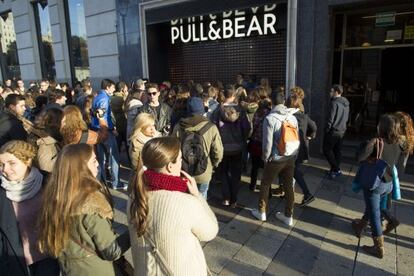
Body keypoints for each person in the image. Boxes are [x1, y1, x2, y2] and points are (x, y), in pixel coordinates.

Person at [128, 137, 218, 275]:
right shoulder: (185, 202)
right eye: (180, 158)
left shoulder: (135, 197)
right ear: (170, 166)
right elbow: (210, 232)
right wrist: (198, 196)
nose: (182, 162)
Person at [38, 144, 130, 275]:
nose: (98, 164)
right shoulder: (90, 204)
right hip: (95, 270)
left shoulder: (54, 197)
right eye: (93, 160)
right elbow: (112, 251)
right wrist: (133, 231)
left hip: (70, 268)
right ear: (81, 168)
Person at [0, 140, 59, 275]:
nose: (5, 170)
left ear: (27, 161)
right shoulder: (2, 192)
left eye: (12, 163)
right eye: (1, 164)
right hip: (17, 263)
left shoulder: (48, 182)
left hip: (49, 257)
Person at [351, 114, 402, 258]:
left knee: (374, 213)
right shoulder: (398, 143)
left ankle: (378, 247)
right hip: (389, 183)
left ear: (382, 127)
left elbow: (359, 157)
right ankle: (360, 226)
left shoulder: (377, 142)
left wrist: (369, 143)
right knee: (374, 207)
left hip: (375, 184)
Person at [251, 90, 298, 225]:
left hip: (275, 158)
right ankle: (288, 216)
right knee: (289, 186)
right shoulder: (292, 117)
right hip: (290, 156)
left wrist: (265, 158)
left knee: (265, 184)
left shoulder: (270, 118)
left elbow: (267, 143)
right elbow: (297, 139)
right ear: (284, 102)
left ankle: (262, 212)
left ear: (272, 102)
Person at [172, 97, 223, 199]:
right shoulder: (211, 127)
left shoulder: (179, 126)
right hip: (204, 171)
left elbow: (173, 149)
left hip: (184, 171)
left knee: (185, 200)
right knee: (201, 200)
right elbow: (218, 152)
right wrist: (213, 164)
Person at [212, 84, 251, 207]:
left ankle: (226, 198)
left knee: (223, 172)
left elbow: (213, 127)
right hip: (238, 147)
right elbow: (247, 128)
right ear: (234, 95)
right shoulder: (241, 110)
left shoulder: (218, 110)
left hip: (222, 147)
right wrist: (243, 140)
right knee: (236, 173)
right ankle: (234, 200)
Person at [287, 87, 317, 206]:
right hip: (301, 148)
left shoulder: (291, 116)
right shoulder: (303, 115)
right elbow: (314, 127)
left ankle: (307, 194)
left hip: (293, 148)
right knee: (293, 171)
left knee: (293, 171)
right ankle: (288, 191)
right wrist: (309, 136)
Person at [91, 79, 124, 190]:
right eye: (113, 87)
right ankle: (115, 183)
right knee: (114, 157)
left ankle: (104, 182)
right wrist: (107, 130)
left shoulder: (97, 97)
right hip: (104, 131)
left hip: (97, 130)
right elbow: (103, 117)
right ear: (108, 87)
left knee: (102, 158)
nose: (114, 90)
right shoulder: (104, 99)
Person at [323, 85, 349, 178]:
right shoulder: (346, 103)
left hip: (333, 131)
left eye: (331, 91)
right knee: (337, 151)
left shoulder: (334, 103)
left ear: (337, 92)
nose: (330, 93)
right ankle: (334, 171)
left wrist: (327, 129)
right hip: (342, 130)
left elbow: (331, 118)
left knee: (326, 150)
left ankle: (336, 169)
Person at [248, 97, 272, 191]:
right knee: (266, 168)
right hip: (265, 144)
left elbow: (252, 126)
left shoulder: (257, 113)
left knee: (255, 167)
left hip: (255, 143)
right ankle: (267, 189)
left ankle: (252, 185)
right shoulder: (270, 114)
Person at [36, 108, 64, 173]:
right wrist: (64, 155)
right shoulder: (45, 142)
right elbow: (45, 168)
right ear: (57, 122)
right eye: (63, 121)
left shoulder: (50, 137)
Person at [111, 82, 128, 152]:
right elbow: (126, 110)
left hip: (115, 125)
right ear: (122, 89)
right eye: (126, 88)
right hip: (124, 124)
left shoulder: (111, 98)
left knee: (117, 147)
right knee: (127, 145)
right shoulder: (123, 99)